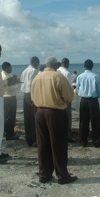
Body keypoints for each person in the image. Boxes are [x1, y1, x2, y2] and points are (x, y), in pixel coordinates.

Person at [31, 56, 77, 184]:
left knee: (42, 144)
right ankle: (62, 175)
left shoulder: (37, 77)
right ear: (56, 65)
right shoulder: (58, 77)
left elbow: (32, 96)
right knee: (59, 144)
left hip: (39, 112)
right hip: (55, 113)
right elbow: (69, 96)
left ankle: (44, 174)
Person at [76, 59, 100, 147]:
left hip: (83, 100)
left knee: (83, 121)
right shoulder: (96, 76)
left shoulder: (79, 76)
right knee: (95, 121)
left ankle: (83, 141)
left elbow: (77, 90)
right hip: (93, 100)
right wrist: (95, 97)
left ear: (84, 66)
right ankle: (96, 141)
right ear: (92, 66)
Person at [20, 56, 40, 147]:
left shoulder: (25, 70)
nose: (38, 65)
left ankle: (29, 139)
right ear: (35, 62)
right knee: (34, 118)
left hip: (25, 95)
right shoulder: (34, 71)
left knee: (27, 118)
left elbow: (22, 83)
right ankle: (35, 140)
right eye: (38, 63)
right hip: (31, 95)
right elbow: (32, 85)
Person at [57, 57, 75, 143]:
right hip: (65, 98)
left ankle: (59, 134)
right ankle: (67, 135)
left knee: (59, 117)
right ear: (67, 64)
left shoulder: (56, 71)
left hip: (57, 98)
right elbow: (69, 88)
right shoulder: (67, 73)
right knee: (67, 117)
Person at [1, 62, 19, 140]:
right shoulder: (5, 76)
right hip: (9, 97)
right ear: (6, 67)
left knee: (8, 116)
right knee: (10, 116)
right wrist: (16, 83)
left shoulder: (5, 74)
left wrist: (14, 82)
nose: (11, 69)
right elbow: (10, 88)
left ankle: (8, 132)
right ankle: (9, 134)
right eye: (10, 67)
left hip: (7, 97)